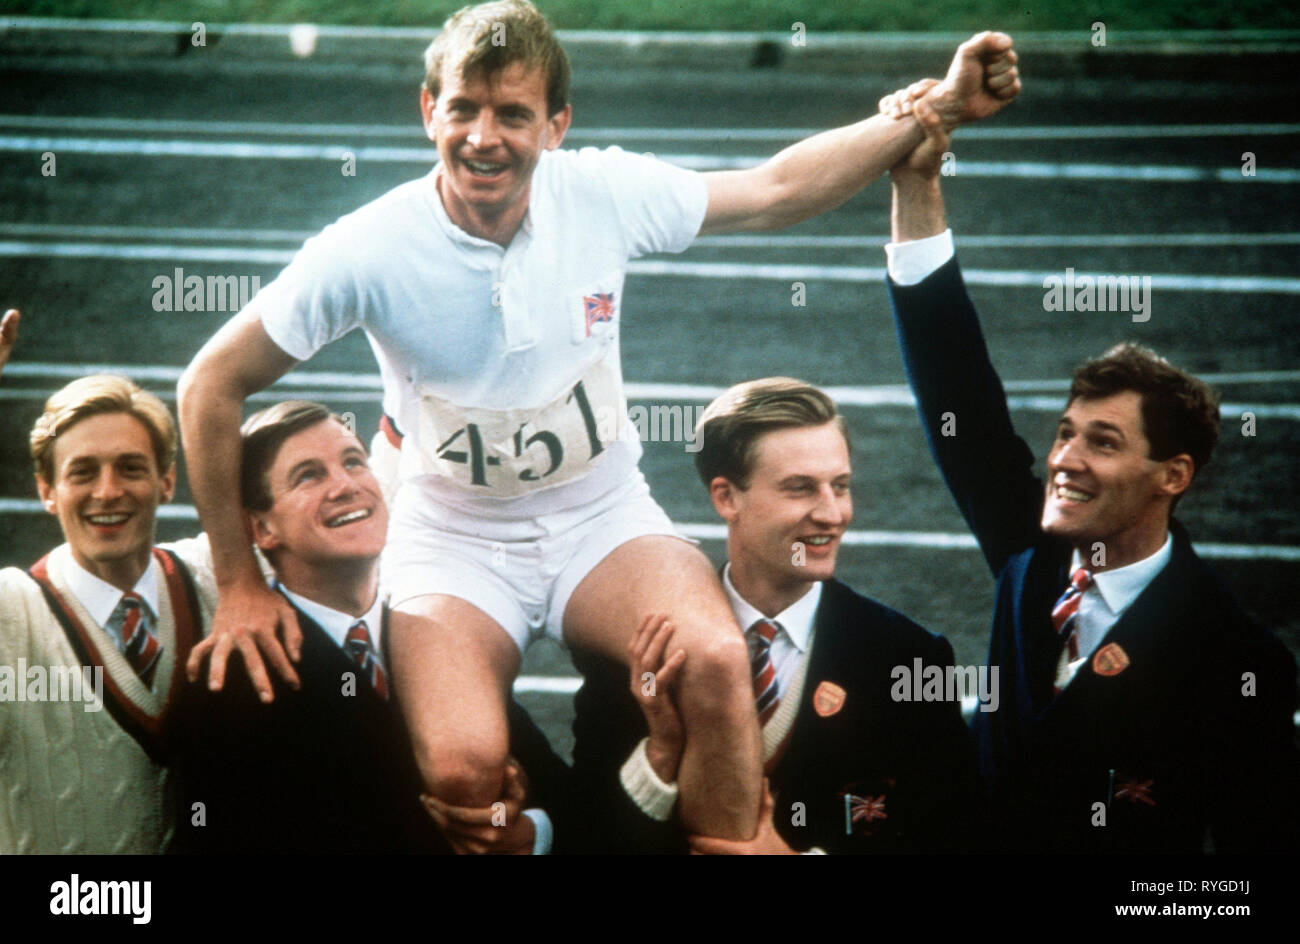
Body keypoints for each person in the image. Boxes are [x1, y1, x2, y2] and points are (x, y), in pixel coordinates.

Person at [177, 0, 1021, 839]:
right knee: (464, 769)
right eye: (463, 109)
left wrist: (938, 109)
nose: (484, 137)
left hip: (599, 517)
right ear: (428, 109)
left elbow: (772, 190)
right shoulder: (366, 248)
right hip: (453, 539)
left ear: (555, 125)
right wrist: (240, 583)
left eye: (513, 114)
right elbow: (210, 382)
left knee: (718, 664)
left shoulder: (602, 193)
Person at [878, 85, 1300, 852]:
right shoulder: (1035, 554)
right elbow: (957, 392)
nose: (1064, 461)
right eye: (1066, 434)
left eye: (1102, 442)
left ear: (1172, 475)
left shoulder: (1239, 663)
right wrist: (917, 183)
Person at [564, 379, 982, 853]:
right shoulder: (643, 643)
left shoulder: (907, 657)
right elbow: (585, 834)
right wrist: (660, 752)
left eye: (840, 487)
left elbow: (954, 835)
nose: (832, 514)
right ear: (726, 498)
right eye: (800, 489)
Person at [176, 400, 570, 854]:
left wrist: (525, 834)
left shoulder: (445, 630)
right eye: (308, 475)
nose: (345, 486)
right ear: (262, 529)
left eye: (353, 462)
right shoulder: (234, 682)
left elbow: (558, 795)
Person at [0, 372, 216, 853]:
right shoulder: (12, 612)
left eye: (131, 468)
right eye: (82, 472)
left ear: (167, 481)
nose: (108, 491)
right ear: (46, 491)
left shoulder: (213, 576)